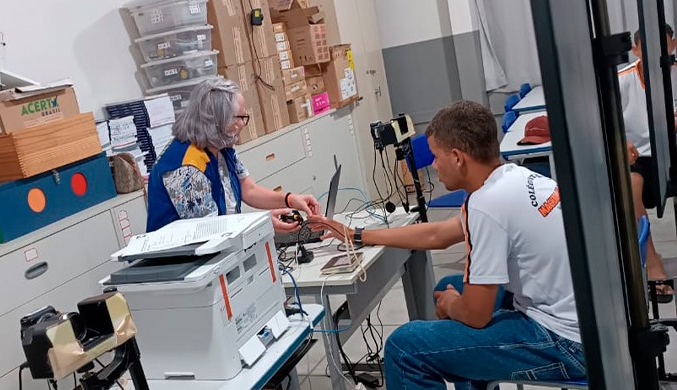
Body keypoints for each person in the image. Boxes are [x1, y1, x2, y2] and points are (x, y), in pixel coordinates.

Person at [309, 101, 584, 389]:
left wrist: (454, 305)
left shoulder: (487, 205)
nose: (434, 166)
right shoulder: (514, 178)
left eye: (436, 157)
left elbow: (476, 316)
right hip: (583, 319)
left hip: (564, 343)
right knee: (450, 285)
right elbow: (438, 235)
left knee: (404, 348)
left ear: (457, 158)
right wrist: (357, 234)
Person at [146, 78, 320, 232]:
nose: (243, 123)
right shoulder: (185, 166)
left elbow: (249, 190)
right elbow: (210, 230)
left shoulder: (221, 147)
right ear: (217, 121)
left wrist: (290, 200)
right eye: (239, 117)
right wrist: (262, 223)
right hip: (180, 262)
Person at [619, 25, 677, 301]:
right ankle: (653, 265)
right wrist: (620, 141)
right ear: (636, 50)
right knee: (629, 185)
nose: (656, 54)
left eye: (662, 46)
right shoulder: (622, 80)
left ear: (673, 46)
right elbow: (599, 122)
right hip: (642, 158)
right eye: (647, 48)